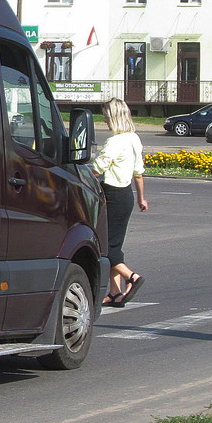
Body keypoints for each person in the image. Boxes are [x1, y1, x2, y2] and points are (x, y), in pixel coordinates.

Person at [92, 98, 148, 307]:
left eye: (106, 117)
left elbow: (98, 168)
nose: (105, 121)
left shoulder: (115, 142)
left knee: (105, 246)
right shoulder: (134, 138)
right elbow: (138, 173)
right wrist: (142, 198)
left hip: (112, 195)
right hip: (126, 195)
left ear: (113, 117)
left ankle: (131, 277)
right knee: (115, 244)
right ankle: (115, 294)